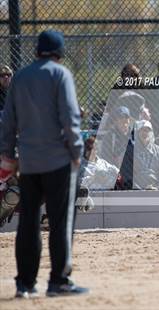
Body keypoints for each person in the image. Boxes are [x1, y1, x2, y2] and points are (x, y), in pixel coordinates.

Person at [0, 30, 88, 297]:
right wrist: (77, 151)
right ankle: (58, 281)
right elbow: (70, 117)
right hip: (58, 160)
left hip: (28, 162)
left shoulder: (21, 77)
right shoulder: (61, 75)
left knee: (28, 223)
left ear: (37, 50)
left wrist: (7, 156)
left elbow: (8, 121)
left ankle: (24, 284)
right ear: (59, 52)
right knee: (60, 221)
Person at [133, 120, 159, 190]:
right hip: (135, 191)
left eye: (147, 130)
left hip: (158, 191)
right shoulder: (129, 153)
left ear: (152, 133)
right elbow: (126, 177)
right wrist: (140, 190)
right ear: (137, 133)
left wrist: (157, 188)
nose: (144, 132)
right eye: (142, 130)